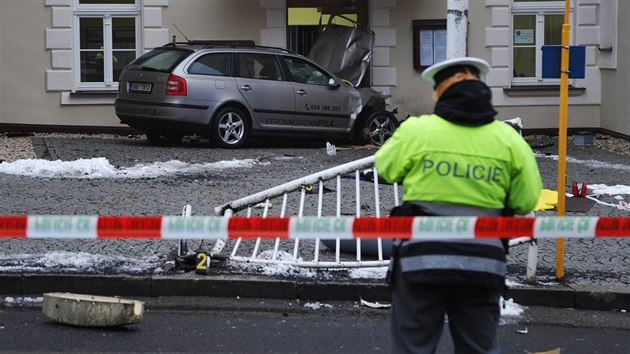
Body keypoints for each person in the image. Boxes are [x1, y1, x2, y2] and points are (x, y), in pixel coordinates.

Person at [374, 57, 542, 354]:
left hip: (420, 261)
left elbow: (385, 169)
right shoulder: (509, 140)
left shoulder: (417, 130)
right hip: (483, 264)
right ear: (482, 89)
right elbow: (525, 201)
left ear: (439, 93)